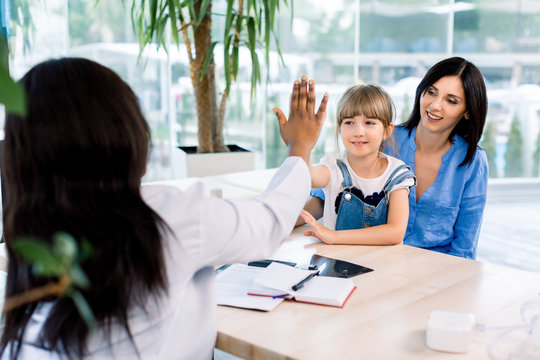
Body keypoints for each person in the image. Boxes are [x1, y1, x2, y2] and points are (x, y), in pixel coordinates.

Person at [0, 59, 327, 359]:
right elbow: (268, 222)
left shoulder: (32, 233)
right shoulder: (168, 218)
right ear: (124, 138)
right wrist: (299, 147)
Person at [305, 57, 488, 259]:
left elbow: (465, 246)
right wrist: (278, 223)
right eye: (431, 92)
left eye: (451, 101)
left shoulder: (473, 161)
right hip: (376, 258)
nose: (435, 105)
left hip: (437, 267)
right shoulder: (382, 137)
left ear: (468, 112)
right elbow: (325, 196)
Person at [280, 83, 415, 245]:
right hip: (336, 261)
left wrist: (333, 236)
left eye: (369, 123)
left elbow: (395, 233)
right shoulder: (334, 168)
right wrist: (300, 144)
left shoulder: (397, 174)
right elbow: (309, 176)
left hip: (383, 264)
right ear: (339, 128)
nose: (358, 132)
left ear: (387, 131)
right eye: (349, 122)